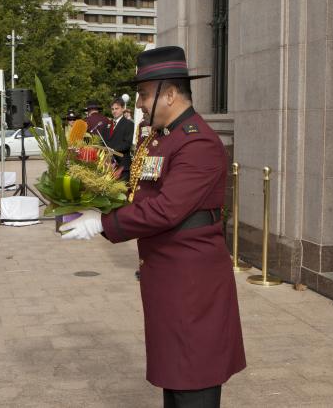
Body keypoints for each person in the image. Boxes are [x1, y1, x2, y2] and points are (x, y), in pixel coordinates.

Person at [61, 46, 246, 408]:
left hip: (192, 282)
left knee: (193, 379)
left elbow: (166, 209)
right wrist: (95, 192)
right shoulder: (162, 137)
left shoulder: (198, 142)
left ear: (171, 94)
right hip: (168, 275)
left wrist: (104, 223)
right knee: (175, 377)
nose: (141, 104)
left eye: (145, 94)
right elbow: (141, 193)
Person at [106, 98, 135, 180]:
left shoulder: (129, 124)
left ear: (122, 109)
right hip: (110, 165)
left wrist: (113, 150)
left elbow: (127, 143)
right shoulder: (109, 124)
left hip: (122, 165)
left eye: (116, 108)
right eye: (112, 109)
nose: (114, 111)